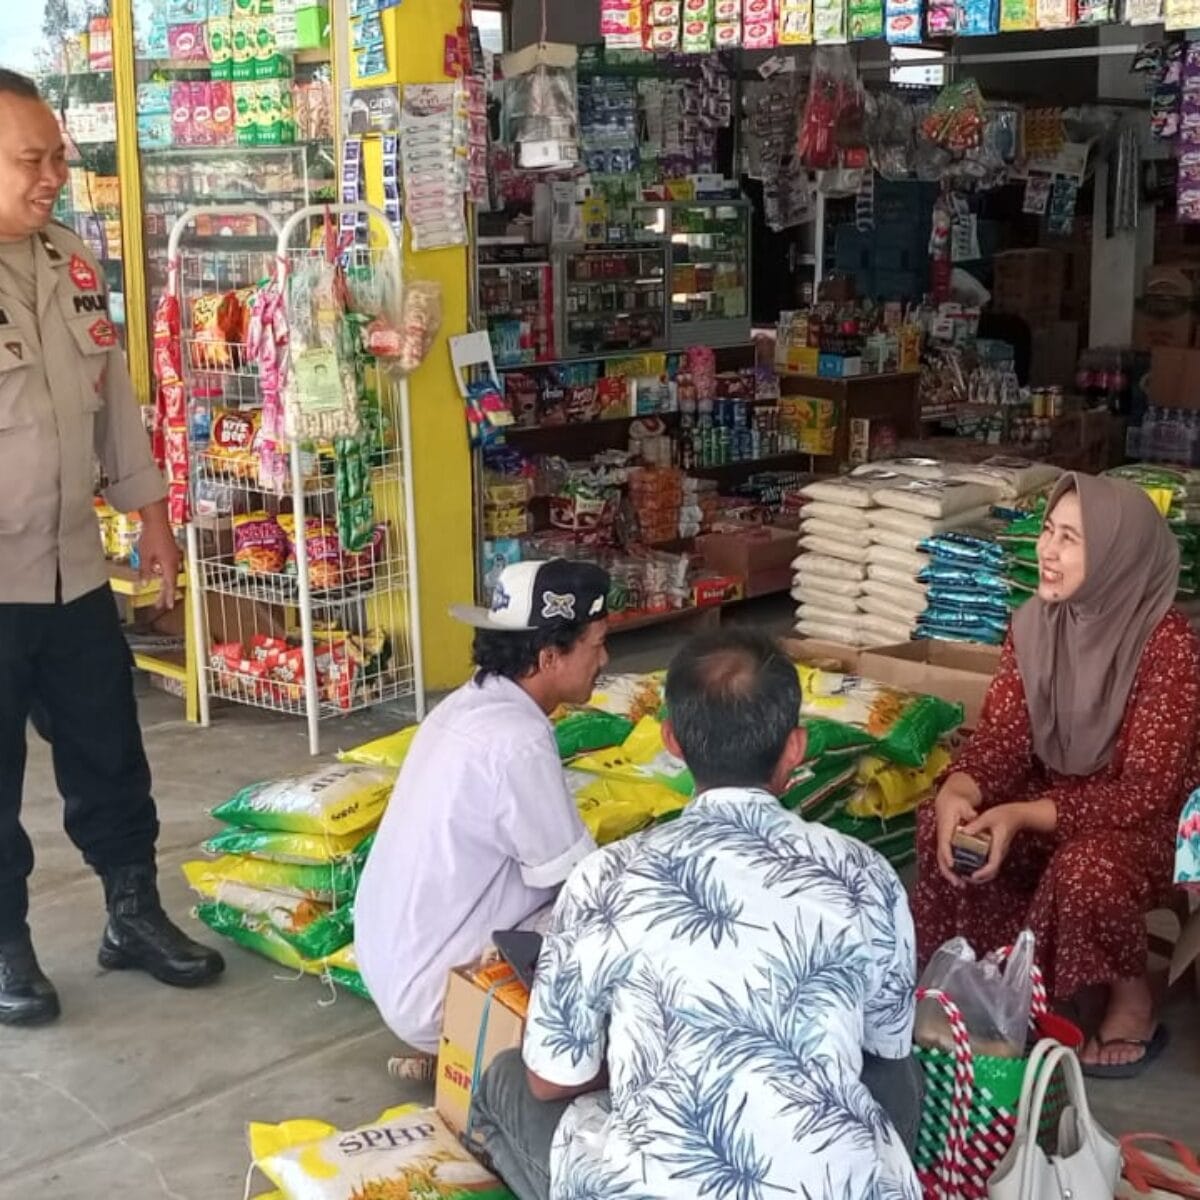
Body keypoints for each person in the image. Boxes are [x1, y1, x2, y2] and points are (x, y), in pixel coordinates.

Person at [472, 629, 922, 1200]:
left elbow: (549, 1078)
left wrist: (643, 1055)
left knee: (506, 1080)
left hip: (654, 1184)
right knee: (904, 1073)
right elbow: (884, 1050)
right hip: (831, 1184)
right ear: (796, 748)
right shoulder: (865, 874)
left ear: (672, 742)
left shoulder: (606, 877)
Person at [0, 70, 224, 1026]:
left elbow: (116, 417)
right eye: (30, 159)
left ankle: (131, 914)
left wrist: (157, 523)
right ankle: (7, 945)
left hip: (76, 571)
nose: (54, 173)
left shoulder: (70, 261)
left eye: (57, 155)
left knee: (109, 751)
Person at [915, 472, 1198, 1079]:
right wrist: (960, 790)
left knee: (1087, 868)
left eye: (1070, 538)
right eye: (1048, 530)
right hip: (1055, 799)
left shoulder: (1167, 643)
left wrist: (1022, 814)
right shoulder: (1035, 627)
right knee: (947, 828)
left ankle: (1130, 997)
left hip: (1155, 824)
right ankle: (1000, 979)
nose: (1046, 550)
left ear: (1118, 557)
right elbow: (1005, 740)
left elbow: (1149, 790)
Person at [355, 559, 609, 1077]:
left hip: (393, 968)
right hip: (435, 992)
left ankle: (461, 1047)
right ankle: (500, 1054)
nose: (605, 659)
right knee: (611, 912)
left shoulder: (467, 704)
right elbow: (576, 878)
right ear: (549, 655)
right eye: (596, 645)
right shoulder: (517, 740)